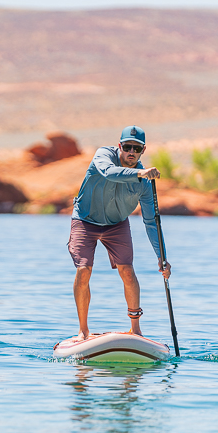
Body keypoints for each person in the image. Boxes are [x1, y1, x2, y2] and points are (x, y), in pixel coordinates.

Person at [67, 125, 171, 341]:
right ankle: (83, 331)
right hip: (85, 220)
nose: (131, 152)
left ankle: (136, 330)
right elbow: (109, 173)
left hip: (116, 224)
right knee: (84, 269)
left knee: (127, 271)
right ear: (119, 146)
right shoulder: (103, 156)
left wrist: (162, 257)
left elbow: (151, 222)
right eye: (127, 147)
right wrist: (140, 172)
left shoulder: (144, 182)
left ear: (143, 150)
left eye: (137, 148)